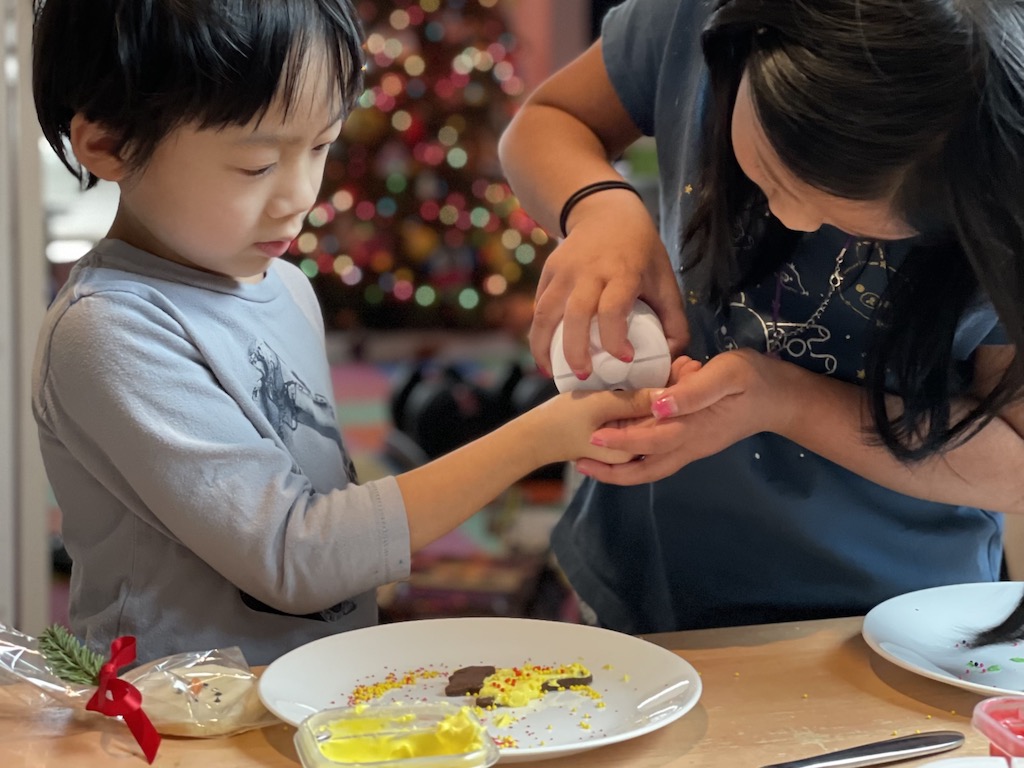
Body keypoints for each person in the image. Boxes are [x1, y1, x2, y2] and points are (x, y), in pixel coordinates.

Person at [29, 0, 659, 666]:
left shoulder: (285, 286)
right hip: (179, 728)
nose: (300, 195)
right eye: (256, 166)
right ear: (108, 145)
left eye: (321, 146)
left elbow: (331, 517)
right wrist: (540, 436)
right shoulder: (110, 329)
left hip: (307, 698)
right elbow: (294, 556)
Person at [498, 0, 1024, 635]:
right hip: (642, 574)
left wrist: (784, 400)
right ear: (749, 44)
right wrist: (600, 207)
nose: (793, 222)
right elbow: (548, 120)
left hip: (895, 620)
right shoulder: (694, 17)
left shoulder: (1002, 173)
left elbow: (1015, 466)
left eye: (847, 220)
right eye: (771, 175)